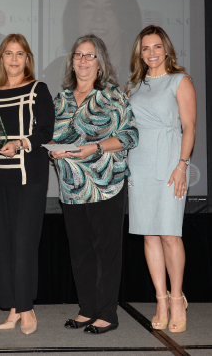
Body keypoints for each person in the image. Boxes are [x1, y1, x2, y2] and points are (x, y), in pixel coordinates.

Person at [49, 34, 138, 335]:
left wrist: (95, 147)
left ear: (100, 63)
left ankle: (107, 313)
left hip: (106, 184)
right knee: (81, 252)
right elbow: (56, 139)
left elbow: (130, 136)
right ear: (71, 61)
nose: (83, 61)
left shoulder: (113, 96)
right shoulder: (60, 99)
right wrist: (54, 151)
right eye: (78, 55)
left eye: (90, 56)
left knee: (106, 251)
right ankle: (87, 309)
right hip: (71, 188)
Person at [0, 34, 55, 335]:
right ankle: (12, 307)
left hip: (29, 177)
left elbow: (45, 130)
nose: (14, 59)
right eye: (8, 54)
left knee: (24, 243)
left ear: (27, 59)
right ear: (1, 59)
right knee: (3, 244)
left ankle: (27, 309)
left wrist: (20, 142)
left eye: (20, 54)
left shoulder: (38, 89)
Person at [126, 25, 196, 333]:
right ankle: (161, 299)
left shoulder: (180, 81)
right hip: (139, 163)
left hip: (170, 163)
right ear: (139, 53)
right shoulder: (134, 86)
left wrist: (181, 166)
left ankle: (177, 297)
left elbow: (189, 127)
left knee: (169, 234)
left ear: (166, 49)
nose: (151, 53)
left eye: (156, 47)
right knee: (149, 235)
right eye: (145, 48)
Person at [41, 0, 141, 97]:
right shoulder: (56, 74)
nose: (98, 17)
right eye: (89, 6)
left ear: (125, 18)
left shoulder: (142, 74)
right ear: (76, 15)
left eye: (109, 7)